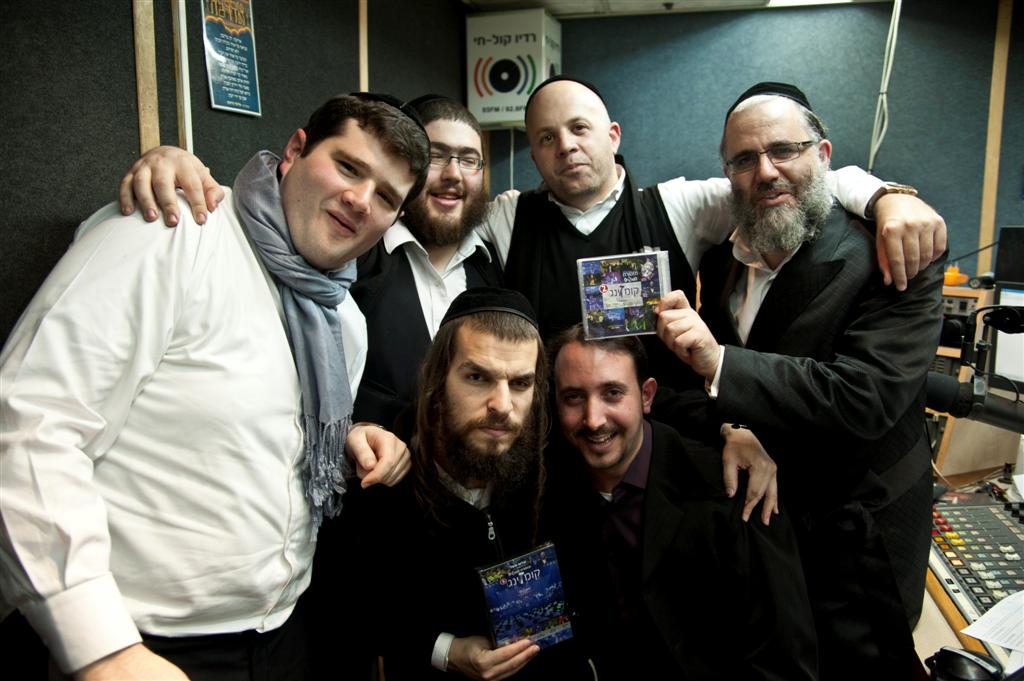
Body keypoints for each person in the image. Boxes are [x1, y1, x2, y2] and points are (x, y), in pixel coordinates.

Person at [115, 77, 946, 523]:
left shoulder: (681, 205)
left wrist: (885, 196)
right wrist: (184, 166)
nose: (564, 146)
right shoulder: (505, 217)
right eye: (544, 137)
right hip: (535, 472)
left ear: (612, 135)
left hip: (659, 460)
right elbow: (347, 201)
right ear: (530, 156)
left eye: (580, 129)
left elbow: (781, 179)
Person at [0, 93, 429, 680]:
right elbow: (29, 428)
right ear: (295, 150)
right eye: (348, 167)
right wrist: (101, 648)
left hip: (281, 637)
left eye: (385, 197)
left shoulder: (343, 322)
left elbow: (248, 422)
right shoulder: (172, 234)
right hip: (138, 645)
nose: (360, 200)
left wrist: (345, 435)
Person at [655, 82, 945, 679]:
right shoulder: (722, 258)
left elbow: (864, 398)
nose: (765, 172)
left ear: (823, 155)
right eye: (744, 159)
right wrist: (732, 425)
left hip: (857, 548)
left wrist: (719, 362)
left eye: (783, 150)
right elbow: (710, 394)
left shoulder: (893, 252)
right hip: (764, 540)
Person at [545, 324, 818, 680]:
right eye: (573, 398)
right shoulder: (551, 493)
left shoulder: (731, 491)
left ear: (646, 396)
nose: (593, 419)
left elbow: (785, 660)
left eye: (612, 393)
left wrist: (731, 426)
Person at [343, 287, 589, 680]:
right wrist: (447, 650)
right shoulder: (381, 474)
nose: (502, 405)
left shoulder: (559, 463)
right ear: (436, 377)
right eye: (477, 377)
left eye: (520, 384)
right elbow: (356, 606)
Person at [351, 95, 502, 427]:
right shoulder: (355, 257)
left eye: (469, 160)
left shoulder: (498, 268)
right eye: (436, 156)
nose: (453, 174)